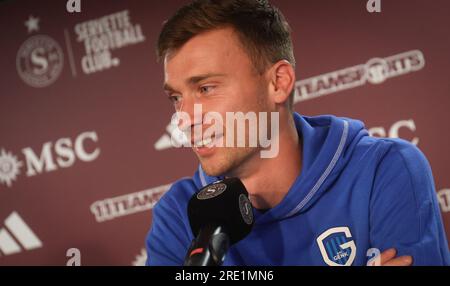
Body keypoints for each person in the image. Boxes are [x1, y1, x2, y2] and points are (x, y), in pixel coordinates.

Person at [145, 0, 450, 266]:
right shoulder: (178, 214)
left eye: (206, 88)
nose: (184, 119)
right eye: (176, 98)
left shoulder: (383, 170)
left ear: (278, 82)